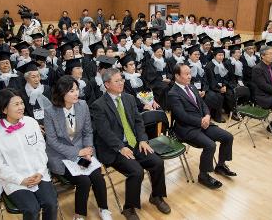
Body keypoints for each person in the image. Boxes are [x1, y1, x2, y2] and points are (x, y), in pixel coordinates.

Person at [90, 68, 170, 220]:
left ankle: (157, 196)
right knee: (136, 171)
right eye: (117, 81)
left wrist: (142, 140)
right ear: (107, 84)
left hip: (134, 143)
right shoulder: (98, 105)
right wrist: (120, 148)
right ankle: (129, 208)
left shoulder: (129, 98)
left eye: (122, 80)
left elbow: (139, 122)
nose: (121, 83)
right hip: (114, 149)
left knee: (157, 162)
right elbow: (104, 132)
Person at [44, 76, 112, 220]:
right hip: (61, 156)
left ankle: (104, 209)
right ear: (62, 93)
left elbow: (88, 132)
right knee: (83, 181)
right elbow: (52, 141)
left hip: (82, 155)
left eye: (77, 90)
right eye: (71, 91)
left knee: (97, 176)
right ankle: (79, 214)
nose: (76, 94)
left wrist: (88, 150)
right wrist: (77, 152)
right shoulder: (50, 111)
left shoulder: (82, 105)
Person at [0, 88, 58, 220]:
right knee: (32, 209)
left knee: (51, 203)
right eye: (16, 104)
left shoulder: (30, 122)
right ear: (4, 110)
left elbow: (41, 149)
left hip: (38, 173)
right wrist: (20, 180)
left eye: (21, 103)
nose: (21, 107)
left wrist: (40, 172)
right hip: (14, 179)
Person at [168, 63, 236, 189]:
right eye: (186, 74)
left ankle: (220, 165)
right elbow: (181, 116)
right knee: (210, 145)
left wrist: (207, 116)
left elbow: (203, 105)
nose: (190, 76)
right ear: (177, 76)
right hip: (187, 128)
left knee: (228, 137)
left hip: (203, 123)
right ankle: (203, 175)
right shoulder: (173, 93)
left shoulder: (192, 87)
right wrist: (200, 121)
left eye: (190, 73)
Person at [185, 45, 225, 122]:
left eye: (198, 54)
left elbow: (205, 79)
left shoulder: (200, 65)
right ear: (189, 55)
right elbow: (186, 81)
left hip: (202, 89)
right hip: (191, 89)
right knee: (205, 97)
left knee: (216, 95)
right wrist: (196, 91)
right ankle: (203, 118)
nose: (197, 56)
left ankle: (215, 116)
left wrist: (204, 90)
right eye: (195, 54)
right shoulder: (186, 66)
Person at [17, 61, 52, 130]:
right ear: (27, 78)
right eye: (33, 77)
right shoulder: (21, 93)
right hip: (32, 126)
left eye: (38, 76)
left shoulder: (46, 89)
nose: (36, 79)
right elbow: (23, 113)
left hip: (49, 123)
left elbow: (52, 107)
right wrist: (34, 125)